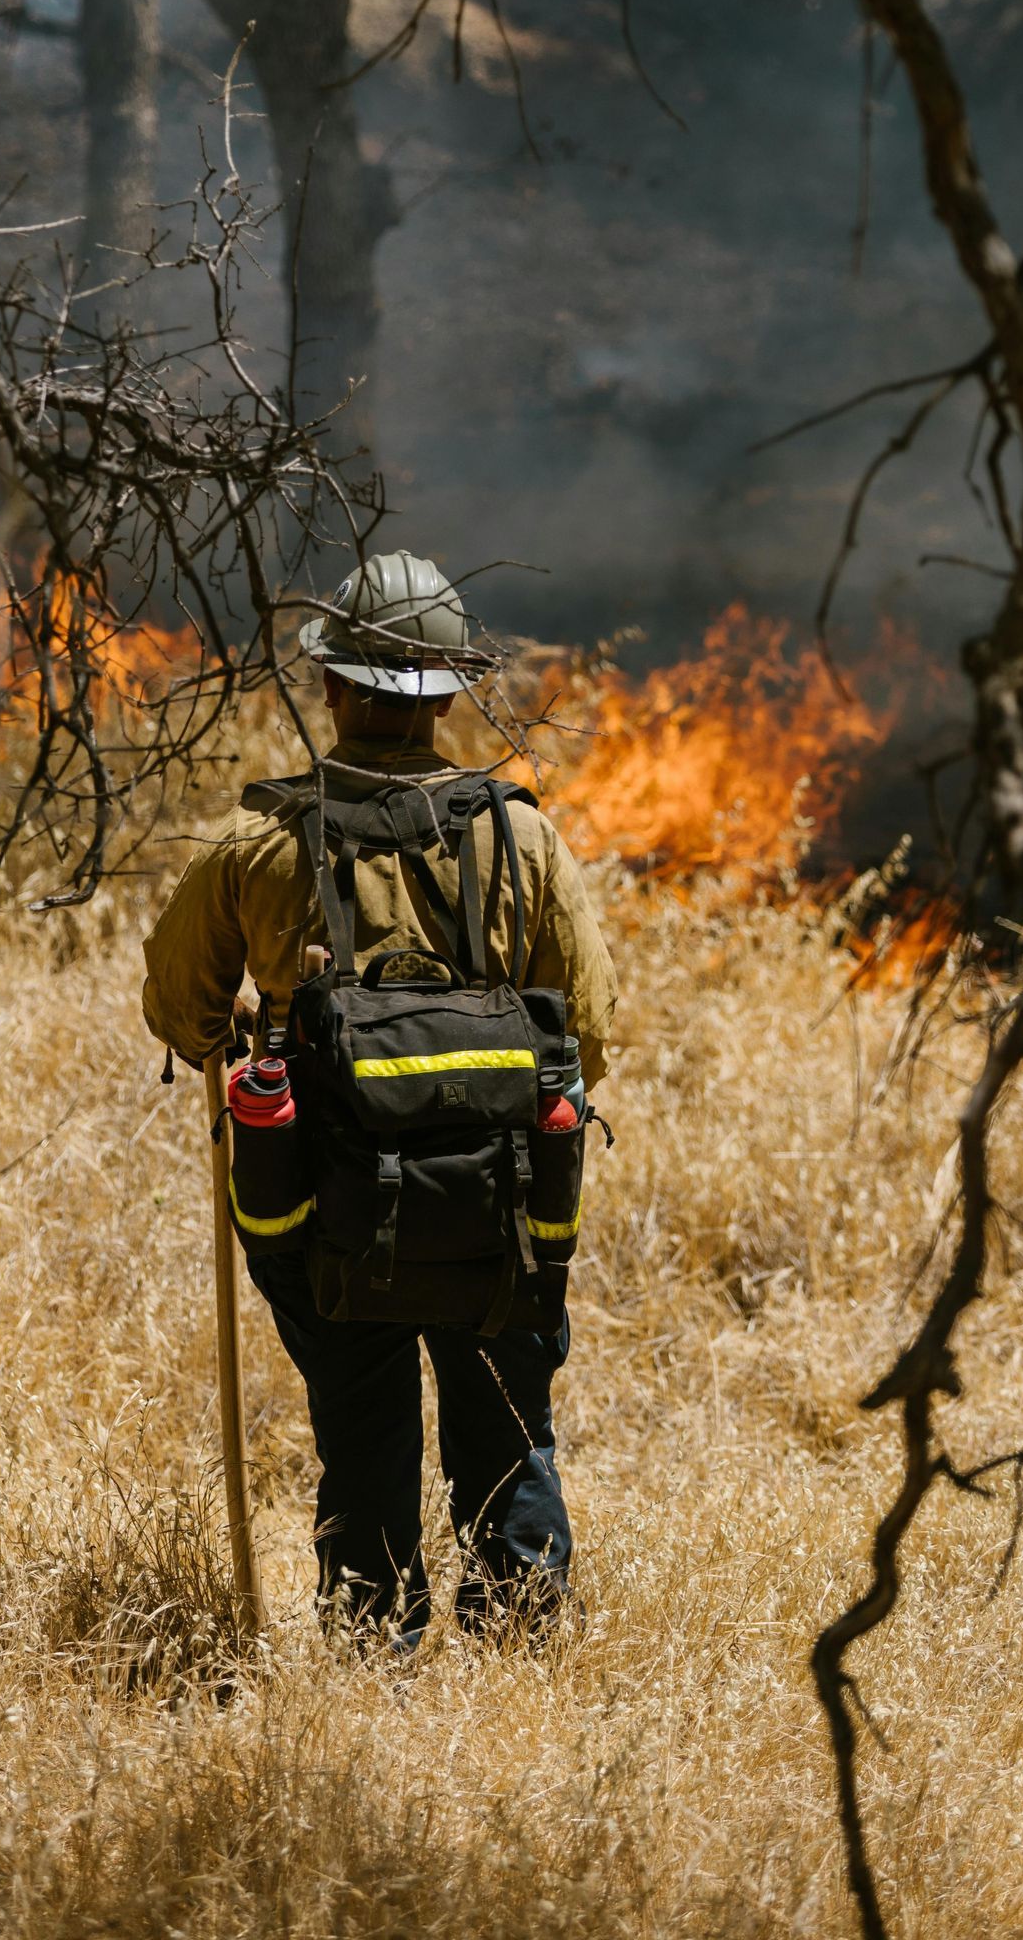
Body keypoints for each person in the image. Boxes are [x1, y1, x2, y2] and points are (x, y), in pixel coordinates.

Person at [141, 550, 616, 1650]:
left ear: (333, 688)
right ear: (447, 694)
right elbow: (585, 1030)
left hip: (323, 1214)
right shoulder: (523, 838)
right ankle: (521, 1649)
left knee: (361, 1433)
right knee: (508, 1431)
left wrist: (255, 1031)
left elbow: (180, 1014)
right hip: (501, 1212)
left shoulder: (260, 843)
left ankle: (374, 1651)